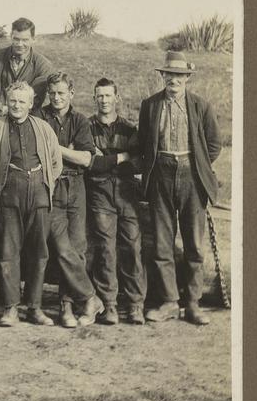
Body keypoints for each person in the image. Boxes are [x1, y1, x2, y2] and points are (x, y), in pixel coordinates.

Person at [138, 51, 222, 326]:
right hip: (160, 173)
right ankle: (169, 302)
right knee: (162, 243)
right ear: (162, 76)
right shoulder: (150, 106)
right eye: (169, 74)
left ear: (186, 78)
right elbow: (143, 145)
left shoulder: (200, 106)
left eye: (179, 75)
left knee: (194, 245)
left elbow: (213, 145)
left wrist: (195, 165)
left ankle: (193, 303)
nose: (173, 79)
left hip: (191, 176)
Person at [0, 81, 61, 328]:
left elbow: (55, 163)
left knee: (39, 251)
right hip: (9, 192)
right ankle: (10, 307)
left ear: (31, 104)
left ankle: (34, 307)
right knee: (8, 251)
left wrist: (42, 184)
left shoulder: (43, 129)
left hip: (39, 192)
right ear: (6, 100)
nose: (17, 105)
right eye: (13, 100)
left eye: (22, 101)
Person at [35, 72, 104, 328]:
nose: (56, 98)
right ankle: (90, 298)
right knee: (62, 248)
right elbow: (36, 151)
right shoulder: (39, 117)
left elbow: (86, 159)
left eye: (61, 93)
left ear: (71, 94)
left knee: (77, 248)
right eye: (52, 93)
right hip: (50, 185)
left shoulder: (80, 120)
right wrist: (70, 151)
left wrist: (53, 147)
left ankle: (67, 305)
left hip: (76, 186)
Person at [86, 77, 145, 325]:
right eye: (99, 96)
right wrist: (119, 158)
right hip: (99, 193)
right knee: (105, 249)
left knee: (132, 247)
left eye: (108, 95)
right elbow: (92, 162)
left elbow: (138, 160)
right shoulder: (86, 127)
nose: (104, 100)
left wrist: (109, 160)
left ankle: (135, 305)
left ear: (116, 98)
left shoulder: (129, 129)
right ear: (94, 98)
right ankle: (109, 304)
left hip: (126, 192)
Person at [0, 18, 55, 114]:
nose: (19, 44)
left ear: (33, 39)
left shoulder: (42, 65)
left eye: (25, 40)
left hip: (26, 113)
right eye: (16, 39)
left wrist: (15, 111)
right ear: (11, 37)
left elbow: (37, 98)